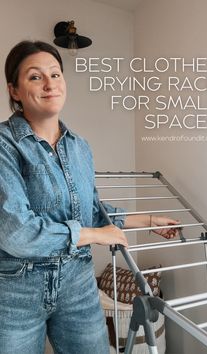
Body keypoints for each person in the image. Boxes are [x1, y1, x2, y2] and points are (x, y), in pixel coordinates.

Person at [0, 40, 180, 354]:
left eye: (55, 75)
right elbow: (17, 233)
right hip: (16, 290)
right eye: (35, 77)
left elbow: (89, 210)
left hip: (78, 283)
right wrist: (96, 235)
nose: (49, 84)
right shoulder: (4, 145)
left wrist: (147, 220)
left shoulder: (80, 147)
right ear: (14, 90)